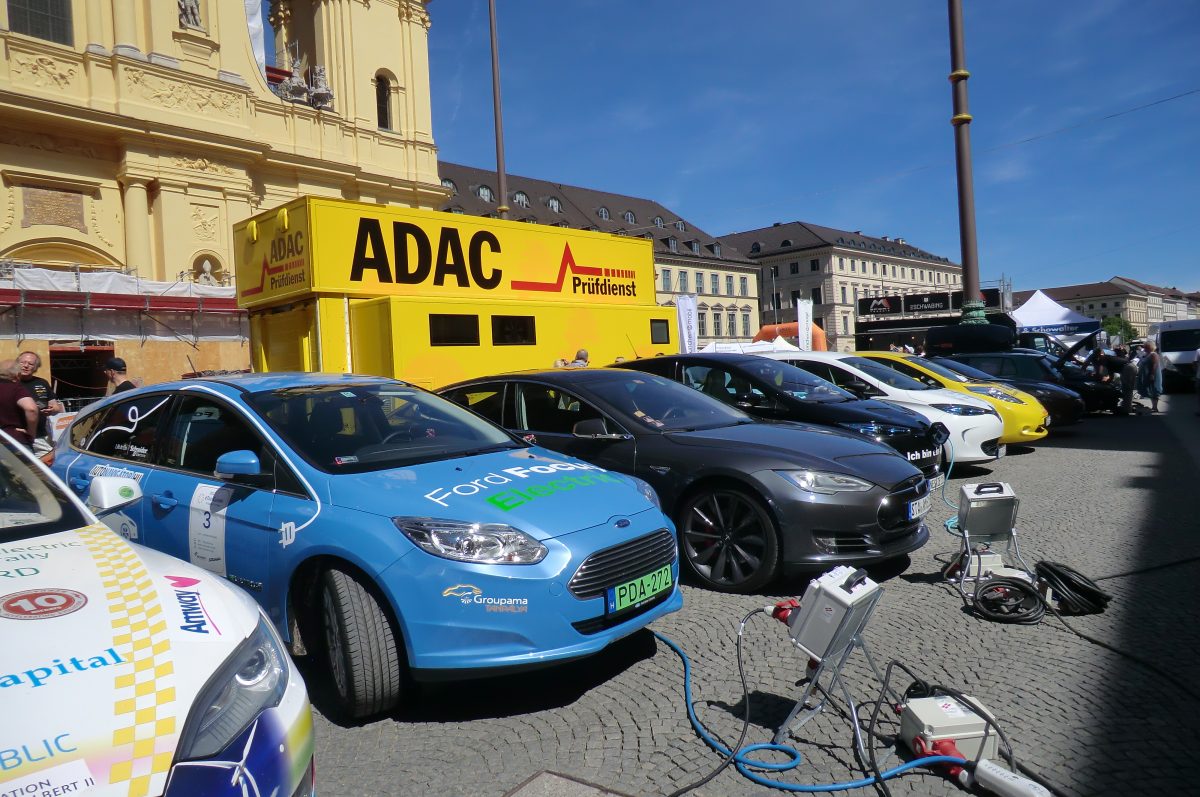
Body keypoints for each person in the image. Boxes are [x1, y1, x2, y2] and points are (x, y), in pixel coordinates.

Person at [16, 351, 63, 455]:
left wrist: (51, 409)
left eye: (30, 364)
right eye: (23, 362)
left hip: (41, 436)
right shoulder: (8, 383)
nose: (26, 366)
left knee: (48, 462)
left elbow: (56, 407)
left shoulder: (42, 383)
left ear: (35, 367)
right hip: (17, 436)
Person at [0, 360, 39, 448]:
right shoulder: (15, 388)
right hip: (13, 440)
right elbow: (31, 409)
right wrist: (31, 434)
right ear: (17, 375)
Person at [1136, 341, 1162, 413]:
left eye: (1146, 347)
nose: (1144, 348)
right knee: (1150, 390)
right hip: (1147, 375)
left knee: (1154, 390)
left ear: (1150, 347)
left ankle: (1155, 407)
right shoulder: (1147, 354)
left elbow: (1155, 365)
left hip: (1152, 375)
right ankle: (1153, 406)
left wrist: (1152, 374)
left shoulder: (1153, 354)